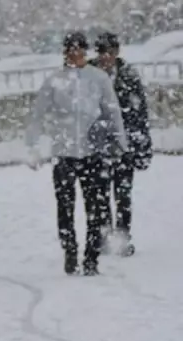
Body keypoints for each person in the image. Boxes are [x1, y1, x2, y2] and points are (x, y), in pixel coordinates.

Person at [26, 31, 128, 276]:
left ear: (85, 52)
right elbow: (38, 114)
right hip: (64, 152)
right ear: (65, 52)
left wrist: (120, 143)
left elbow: (112, 111)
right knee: (65, 206)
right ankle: (70, 249)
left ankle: (91, 257)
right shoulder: (54, 80)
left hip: (93, 152)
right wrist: (33, 146)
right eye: (70, 50)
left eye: (79, 50)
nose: (74, 55)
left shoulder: (99, 78)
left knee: (96, 207)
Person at [90, 32, 152, 257]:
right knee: (100, 195)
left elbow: (140, 113)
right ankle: (105, 236)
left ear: (116, 52)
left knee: (123, 194)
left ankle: (122, 237)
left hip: (124, 146)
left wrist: (142, 144)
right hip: (97, 146)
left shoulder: (128, 76)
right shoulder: (89, 76)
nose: (106, 57)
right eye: (103, 52)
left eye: (110, 52)